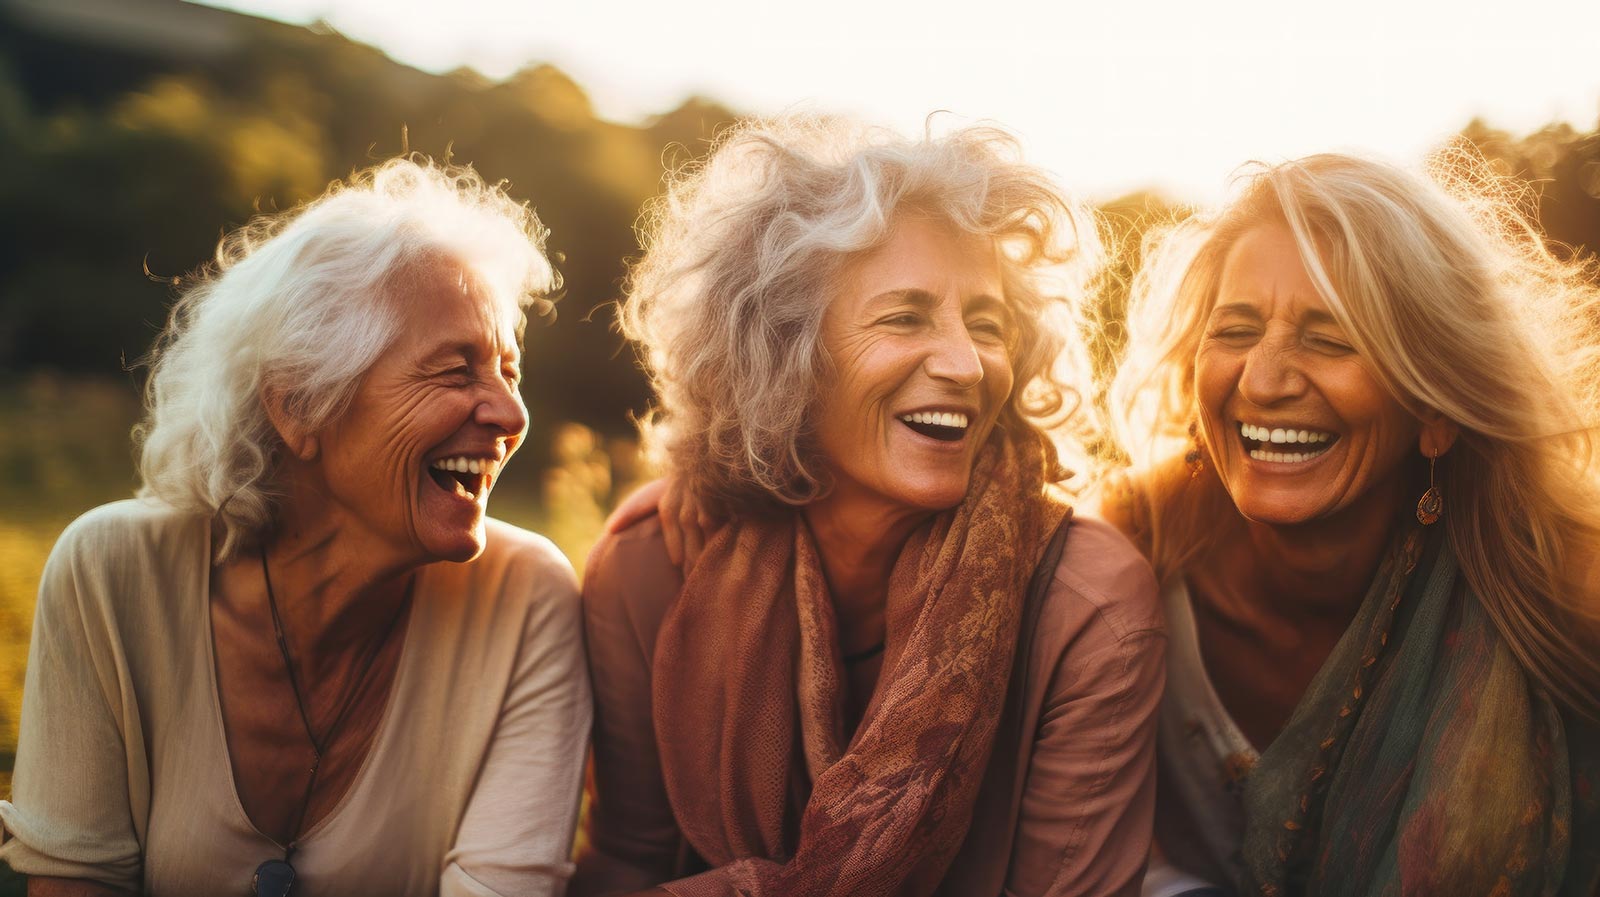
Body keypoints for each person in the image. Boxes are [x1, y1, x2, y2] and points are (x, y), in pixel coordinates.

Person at [572, 115, 1165, 897]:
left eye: (986, 325)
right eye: (904, 316)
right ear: (785, 352)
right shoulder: (653, 567)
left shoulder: (1088, 605)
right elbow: (626, 863)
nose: (964, 362)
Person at [0, 159, 591, 896]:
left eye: (510, 371)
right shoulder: (111, 573)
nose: (512, 414)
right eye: (456, 370)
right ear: (302, 404)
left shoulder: (525, 600)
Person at [1102, 151, 1600, 896]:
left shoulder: (1554, 577)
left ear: (1434, 410)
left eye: (1329, 339)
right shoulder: (1124, 557)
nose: (1263, 381)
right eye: (1235, 331)